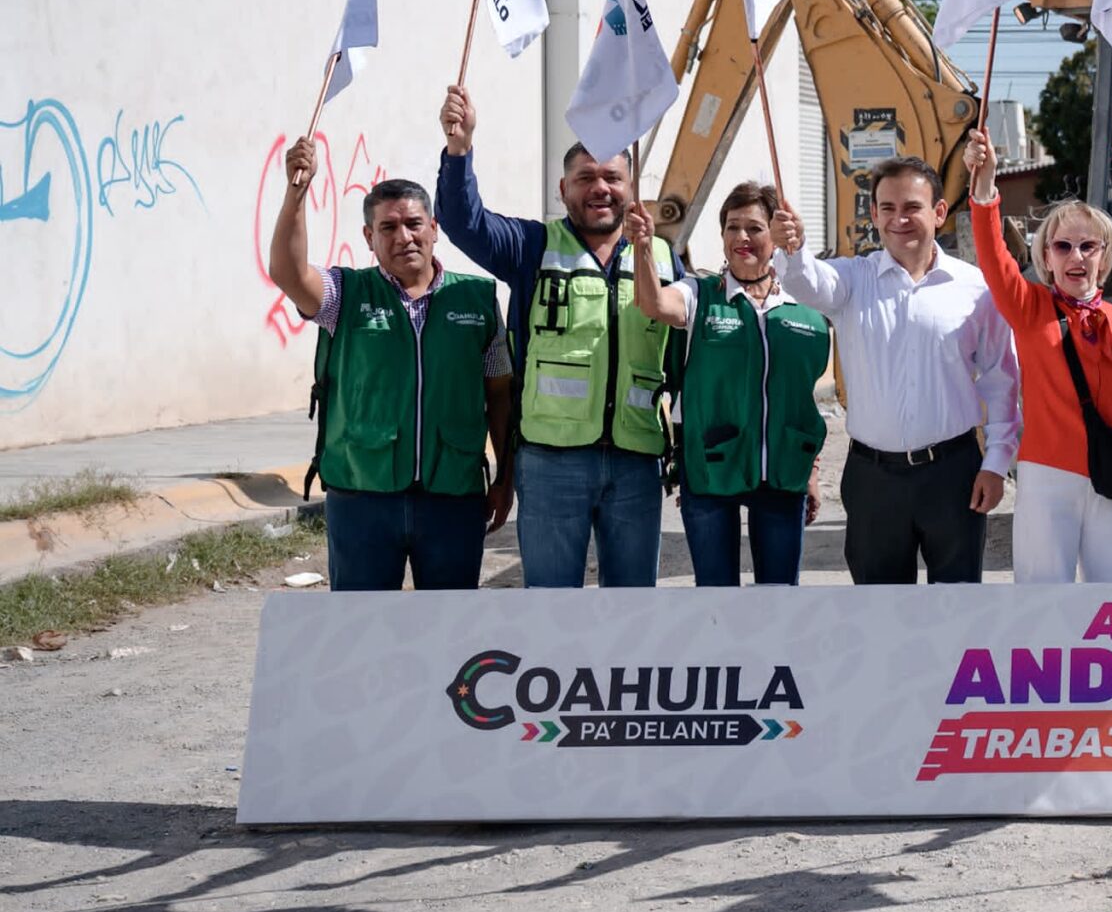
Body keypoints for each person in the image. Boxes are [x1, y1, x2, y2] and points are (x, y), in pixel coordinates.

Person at [437, 86, 676, 588]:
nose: (600, 188)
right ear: (563, 190)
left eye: (612, 177)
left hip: (636, 463)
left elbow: (684, 357)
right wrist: (460, 148)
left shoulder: (661, 258)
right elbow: (463, 223)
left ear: (631, 188)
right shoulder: (533, 245)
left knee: (634, 613)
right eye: (585, 178)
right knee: (550, 610)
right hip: (550, 464)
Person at [266, 139, 513, 591]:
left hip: (453, 497)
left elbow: (500, 395)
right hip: (362, 496)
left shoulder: (477, 299)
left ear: (434, 229)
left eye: (414, 224)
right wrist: (296, 194)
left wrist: (505, 478)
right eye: (388, 227)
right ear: (369, 237)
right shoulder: (344, 295)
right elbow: (288, 272)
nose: (404, 237)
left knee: (451, 626)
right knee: (362, 627)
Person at [773, 157, 1019, 583]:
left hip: (953, 475)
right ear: (873, 214)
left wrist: (996, 462)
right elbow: (808, 282)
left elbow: (1002, 380)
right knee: (879, 611)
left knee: (957, 607)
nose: (898, 219)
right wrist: (793, 250)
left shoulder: (975, 288)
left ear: (938, 212)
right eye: (887, 208)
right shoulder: (852, 280)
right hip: (873, 480)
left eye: (911, 207)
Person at [962, 128, 1112, 581]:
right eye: (1063, 246)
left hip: (1111, 480)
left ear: (1104, 257)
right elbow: (993, 257)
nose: (1076, 257)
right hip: (1046, 476)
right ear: (1047, 257)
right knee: (1043, 601)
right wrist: (985, 185)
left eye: (1088, 246)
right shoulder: (1029, 306)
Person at [626, 184, 829, 586]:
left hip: (783, 474)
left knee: (778, 599)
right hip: (710, 473)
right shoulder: (699, 294)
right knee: (716, 601)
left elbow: (802, 399)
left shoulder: (804, 305)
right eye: (732, 227)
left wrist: (812, 472)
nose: (741, 237)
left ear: (774, 235)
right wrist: (644, 248)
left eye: (754, 227)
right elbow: (654, 303)